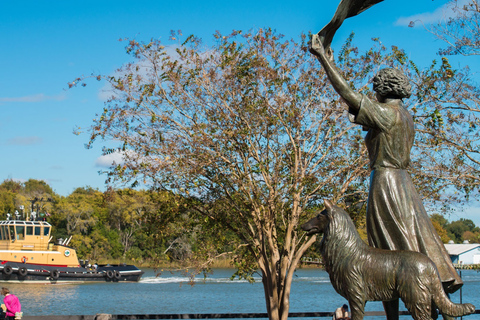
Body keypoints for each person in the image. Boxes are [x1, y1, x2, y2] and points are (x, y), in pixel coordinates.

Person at [309, 34, 463, 319]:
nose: (372, 92)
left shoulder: (387, 114)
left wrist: (323, 60)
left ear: (382, 89)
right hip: (404, 186)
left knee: (385, 252)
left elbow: (348, 94)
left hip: (386, 185)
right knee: (405, 247)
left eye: (375, 88)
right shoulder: (404, 115)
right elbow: (356, 107)